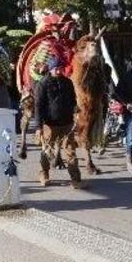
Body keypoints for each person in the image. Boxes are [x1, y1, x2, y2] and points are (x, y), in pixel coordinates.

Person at [34, 59, 81, 188]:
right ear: (50, 69)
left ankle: (76, 179)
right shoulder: (42, 84)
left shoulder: (68, 82)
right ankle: (44, 174)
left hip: (67, 123)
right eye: (56, 69)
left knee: (71, 152)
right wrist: (38, 126)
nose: (59, 71)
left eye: (61, 68)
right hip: (50, 124)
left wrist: (76, 109)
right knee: (46, 151)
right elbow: (38, 106)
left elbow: (73, 100)